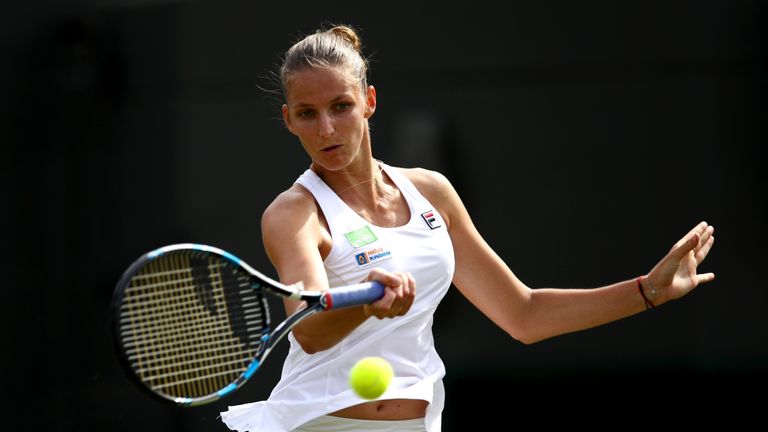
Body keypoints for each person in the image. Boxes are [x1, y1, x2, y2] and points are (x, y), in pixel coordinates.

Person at [220, 24, 715, 432]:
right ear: (289, 120)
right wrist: (367, 303)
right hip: (317, 424)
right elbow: (307, 329)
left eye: (341, 106)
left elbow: (523, 314)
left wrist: (647, 291)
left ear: (369, 101)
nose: (326, 129)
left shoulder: (430, 192)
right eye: (307, 114)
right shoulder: (293, 213)